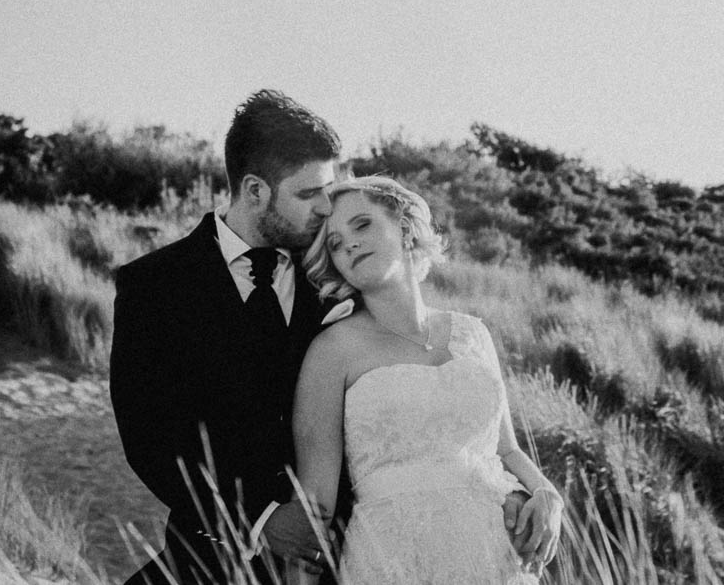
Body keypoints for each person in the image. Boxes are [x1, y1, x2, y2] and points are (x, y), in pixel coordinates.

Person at [110, 89, 343, 584]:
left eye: (330, 189)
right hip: (209, 556)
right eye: (308, 194)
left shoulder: (335, 277)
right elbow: (150, 437)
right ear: (255, 190)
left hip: (334, 559)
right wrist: (258, 519)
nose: (328, 208)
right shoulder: (152, 286)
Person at [293, 175, 564, 584]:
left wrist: (548, 495)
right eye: (334, 243)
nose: (347, 243)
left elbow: (506, 449)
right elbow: (316, 505)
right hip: (393, 557)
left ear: (403, 227)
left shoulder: (473, 332)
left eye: (362, 225)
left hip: (495, 554)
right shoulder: (331, 351)